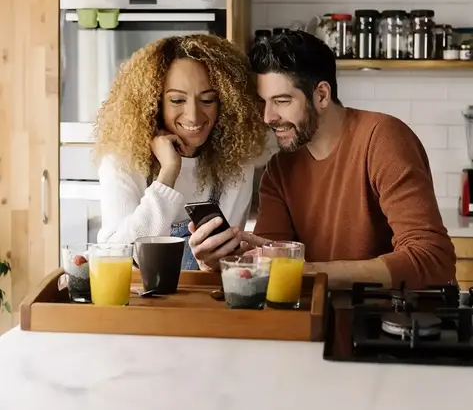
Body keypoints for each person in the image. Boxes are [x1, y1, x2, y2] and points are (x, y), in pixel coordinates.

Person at [188, 30, 456, 289]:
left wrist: (306, 271)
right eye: (262, 103)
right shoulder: (280, 170)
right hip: (311, 326)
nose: (268, 117)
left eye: (281, 101)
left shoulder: (382, 139)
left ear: (322, 95)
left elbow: (432, 259)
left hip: (384, 326)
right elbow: (270, 270)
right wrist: (216, 264)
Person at [94, 34, 267, 270]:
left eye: (207, 100)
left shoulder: (236, 163)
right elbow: (114, 257)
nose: (194, 116)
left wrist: (213, 261)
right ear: (154, 103)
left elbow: (224, 263)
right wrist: (168, 173)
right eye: (177, 100)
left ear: (226, 103)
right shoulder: (122, 160)